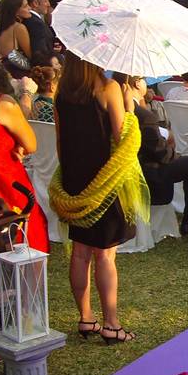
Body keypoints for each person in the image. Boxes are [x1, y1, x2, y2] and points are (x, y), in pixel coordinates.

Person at [51, 51, 148, 344]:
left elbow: (59, 141)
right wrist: (130, 106)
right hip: (104, 180)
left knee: (80, 252)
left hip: (74, 180)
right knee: (105, 254)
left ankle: (86, 318)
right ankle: (112, 323)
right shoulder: (108, 88)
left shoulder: (62, 93)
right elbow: (122, 136)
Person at [0, 38, 50, 253]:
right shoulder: (2, 104)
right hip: (6, 189)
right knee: (20, 247)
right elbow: (31, 143)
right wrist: (25, 95)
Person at [112, 73, 188, 236]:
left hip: (127, 169)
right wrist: (176, 155)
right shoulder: (142, 115)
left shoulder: (113, 108)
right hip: (147, 172)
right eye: (144, 80)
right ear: (137, 83)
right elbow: (161, 154)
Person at [0, 0, 33, 78]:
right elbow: (31, 55)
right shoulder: (19, 28)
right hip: (19, 74)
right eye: (26, 6)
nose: (30, 8)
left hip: (2, 73)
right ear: (16, 11)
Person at [24, 0, 57, 67]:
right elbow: (40, 52)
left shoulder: (30, 20)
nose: (49, 4)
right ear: (35, 3)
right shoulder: (36, 24)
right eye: (46, 1)